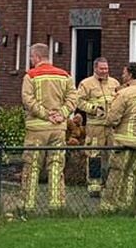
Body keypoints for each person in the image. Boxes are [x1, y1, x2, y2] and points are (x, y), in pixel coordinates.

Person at [19, 41, 73, 212]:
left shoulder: (31, 76)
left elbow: (27, 100)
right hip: (58, 129)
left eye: (31, 57)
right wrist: (62, 113)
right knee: (57, 165)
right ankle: (57, 205)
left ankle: (27, 205)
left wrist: (45, 114)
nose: (30, 60)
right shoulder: (65, 76)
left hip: (36, 130)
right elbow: (73, 98)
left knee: (32, 166)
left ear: (36, 57)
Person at [101, 62, 136, 211]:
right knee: (131, 173)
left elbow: (112, 118)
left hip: (124, 141)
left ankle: (109, 205)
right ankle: (127, 204)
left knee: (116, 172)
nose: (122, 75)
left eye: (124, 73)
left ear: (130, 75)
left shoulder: (124, 93)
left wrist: (107, 120)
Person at [71, 57, 121, 197]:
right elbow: (79, 101)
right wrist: (93, 109)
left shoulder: (114, 83)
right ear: (95, 69)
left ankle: (112, 185)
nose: (105, 71)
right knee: (94, 155)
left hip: (112, 127)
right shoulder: (86, 84)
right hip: (95, 127)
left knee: (114, 155)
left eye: (106, 68)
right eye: (102, 68)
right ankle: (94, 186)